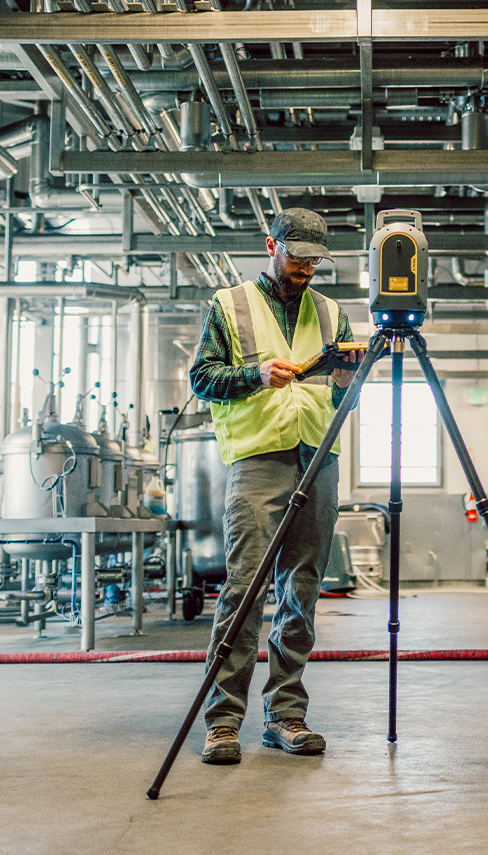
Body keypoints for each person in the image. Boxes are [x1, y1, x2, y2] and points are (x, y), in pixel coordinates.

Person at [189, 207, 363, 765]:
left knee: (302, 588)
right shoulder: (228, 305)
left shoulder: (333, 313)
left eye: (316, 261)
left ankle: (285, 715)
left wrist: (346, 382)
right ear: (272, 245)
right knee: (244, 588)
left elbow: (345, 398)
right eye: (298, 257)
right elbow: (202, 379)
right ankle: (222, 722)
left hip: (319, 456)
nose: (307, 269)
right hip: (259, 456)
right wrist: (256, 374)